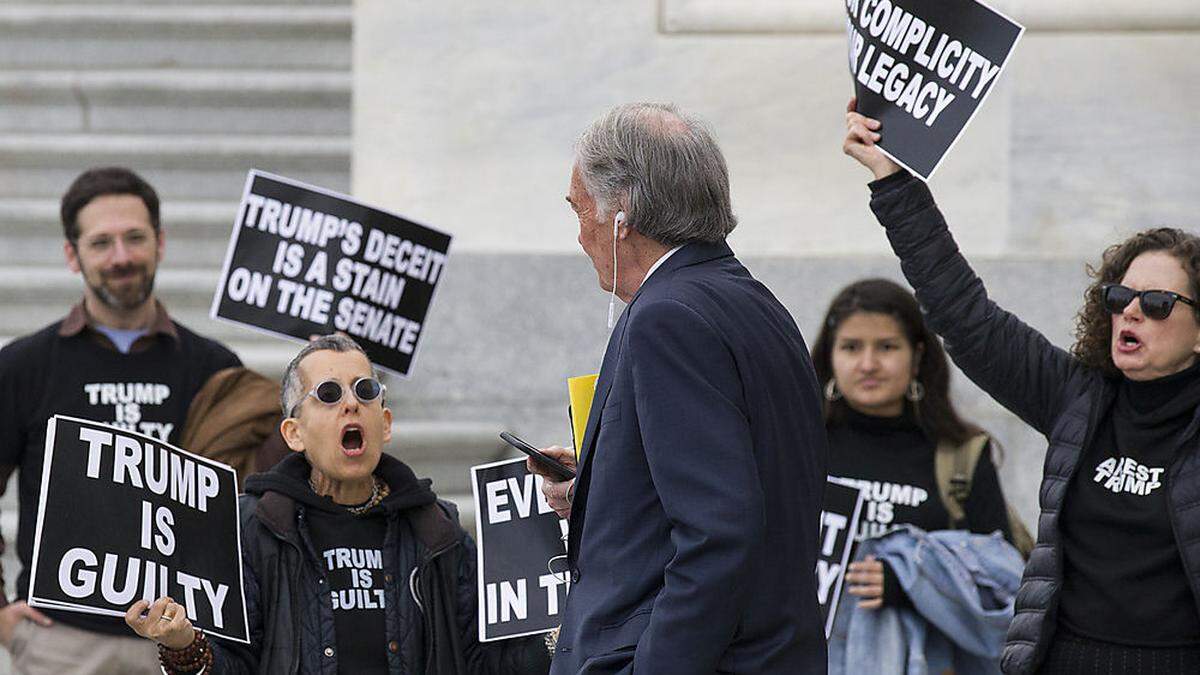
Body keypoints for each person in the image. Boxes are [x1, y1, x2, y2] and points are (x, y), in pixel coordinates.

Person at [844, 97, 1200, 673]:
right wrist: (894, 180)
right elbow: (965, 316)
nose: (1130, 313)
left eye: (1157, 304)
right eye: (1119, 298)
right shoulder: (1078, 398)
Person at [528, 103, 829, 673]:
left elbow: (720, 531)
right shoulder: (755, 302)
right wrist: (599, 483)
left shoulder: (667, 318)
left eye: (580, 209)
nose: (578, 234)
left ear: (623, 215)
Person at [126, 333, 552, 674]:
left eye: (365, 391)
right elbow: (236, 663)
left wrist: (551, 626)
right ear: (294, 433)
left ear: (384, 424)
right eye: (328, 394)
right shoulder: (253, 529)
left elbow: (484, 661)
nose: (351, 403)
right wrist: (184, 645)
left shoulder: (437, 532)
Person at [0, 167, 266, 674]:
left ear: (161, 243)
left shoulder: (215, 367)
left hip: (183, 640)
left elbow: (249, 501)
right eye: (101, 242)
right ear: (71, 255)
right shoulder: (23, 366)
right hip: (62, 643)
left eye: (135, 238)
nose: (121, 257)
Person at [813, 278, 1018, 610]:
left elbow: (1001, 580)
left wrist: (912, 584)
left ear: (917, 355)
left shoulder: (960, 456)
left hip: (926, 658)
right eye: (851, 347)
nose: (868, 364)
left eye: (887, 347)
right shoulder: (798, 444)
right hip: (812, 656)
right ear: (830, 355)